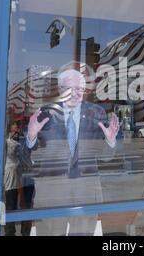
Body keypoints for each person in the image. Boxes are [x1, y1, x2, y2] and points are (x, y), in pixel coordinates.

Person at [24, 67, 121, 235]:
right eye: (71, 88)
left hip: (86, 188)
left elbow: (106, 158)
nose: (77, 94)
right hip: (52, 188)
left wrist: (110, 141)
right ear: (61, 89)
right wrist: (31, 136)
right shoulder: (46, 112)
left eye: (80, 89)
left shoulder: (96, 112)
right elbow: (27, 159)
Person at [4, 121, 35, 236]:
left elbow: (39, 144)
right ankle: (10, 231)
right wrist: (12, 138)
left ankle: (25, 231)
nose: (16, 126)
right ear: (9, 128)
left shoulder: (25, 140)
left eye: (18, 124)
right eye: (14, 124)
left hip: (26, 176)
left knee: (26, 204)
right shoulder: (7, 142)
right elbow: (11, 153)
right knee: (11, 204)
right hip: (11, 176)